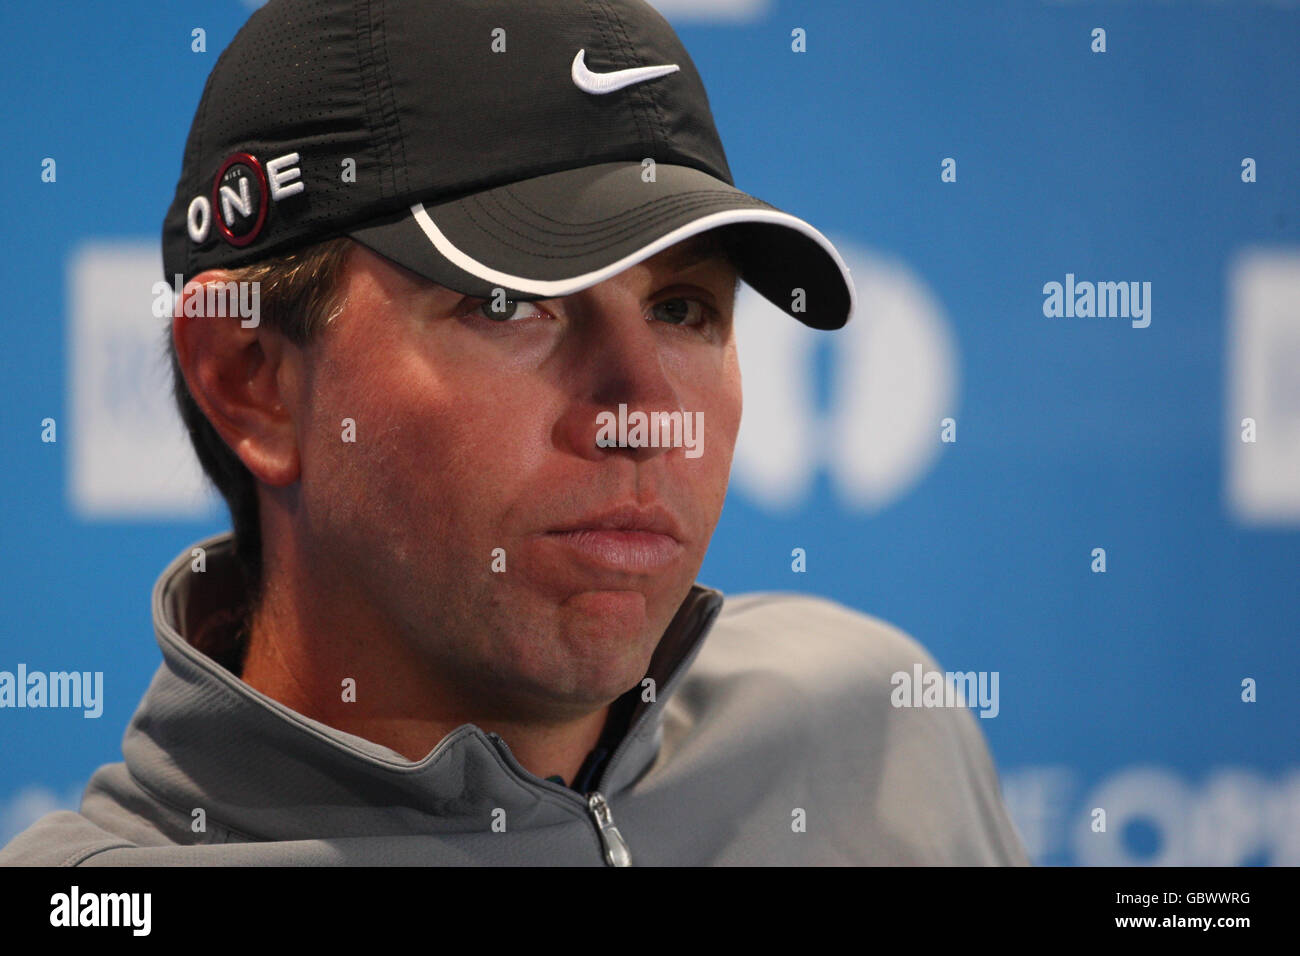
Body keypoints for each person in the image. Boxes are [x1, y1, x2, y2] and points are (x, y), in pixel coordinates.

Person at [0, 0, 1028, 866]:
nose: (641, 409)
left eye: (682, 309)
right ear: (251, 377)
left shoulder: (876, 729)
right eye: (508, 305)